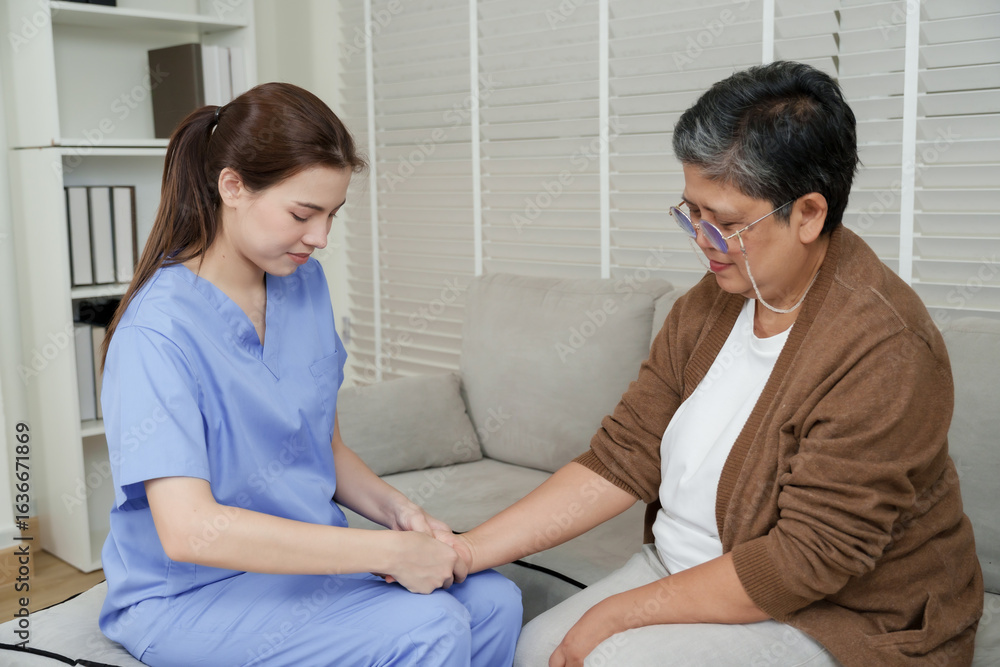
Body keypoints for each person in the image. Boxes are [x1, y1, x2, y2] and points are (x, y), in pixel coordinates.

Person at [440, 61, 983, 666]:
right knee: (538, 646)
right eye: (690, 212)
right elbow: (621, 459)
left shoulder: (884, 351)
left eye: (724, 222)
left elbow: (806, 559)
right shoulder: (713, 302)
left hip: (836, 612)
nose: (702, 239)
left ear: (808, 214)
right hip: (687, 568)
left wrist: (616, 612)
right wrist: (466, 550)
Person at [97, 82, 521, 666]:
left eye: (332, 215)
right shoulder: (157, 333)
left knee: (495, 599)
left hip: (303, 567)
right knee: (432, 626)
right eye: (303, 213)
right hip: (191, 592)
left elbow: (323, 446)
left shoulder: (303, 285)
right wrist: (384, 555)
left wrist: (401, 515)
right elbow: (190, 530)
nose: (320, 238)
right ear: (233, 187)